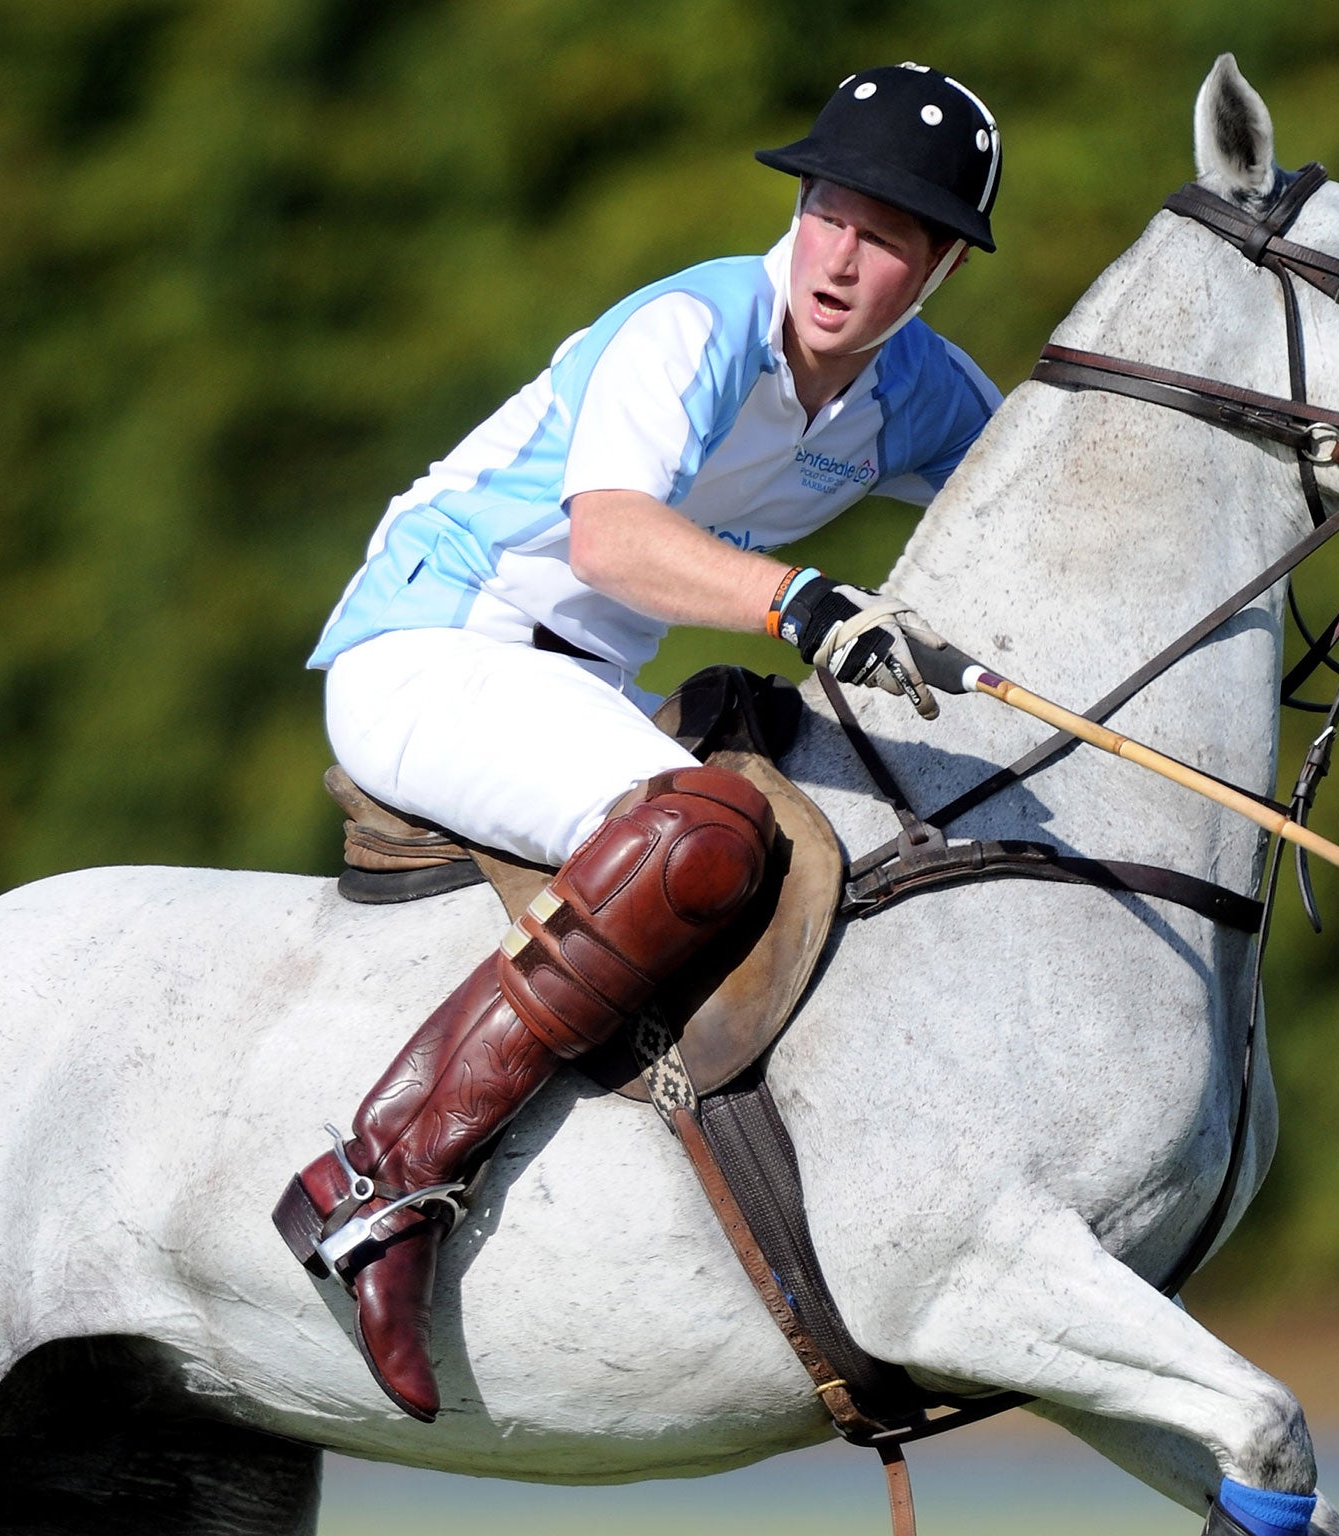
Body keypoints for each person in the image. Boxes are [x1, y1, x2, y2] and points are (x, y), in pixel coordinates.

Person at [271, 63, 1004, 1422]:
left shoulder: (923, 395)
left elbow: (1049, 501)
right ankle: (377, 1185)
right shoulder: (693, 324)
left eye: (889, 236)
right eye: (832, 213)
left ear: (942, 263)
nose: (842, 258)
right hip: (431, 647)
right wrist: (798, 600)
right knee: (704, 834)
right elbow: (611, 534)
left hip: (577, 691)